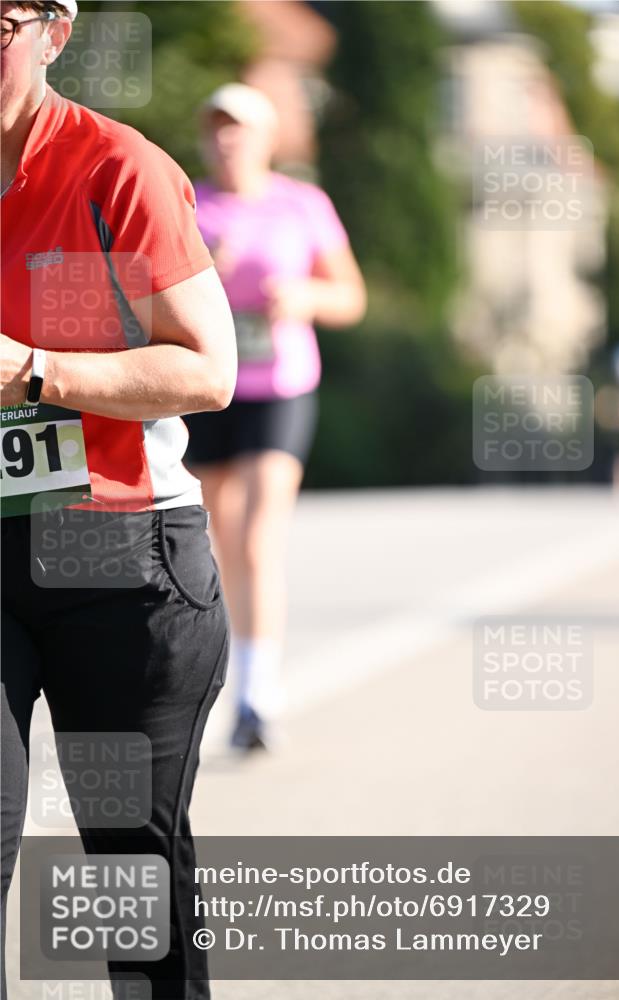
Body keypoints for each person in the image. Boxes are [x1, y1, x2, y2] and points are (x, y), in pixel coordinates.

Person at [1, 3, 237, 998]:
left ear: (54, 32)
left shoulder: (116, 169)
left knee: (129, 881)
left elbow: (210, 369)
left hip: (121, 559)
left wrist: (34, 371)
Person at [184, 84, 366, 752]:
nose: (226, 139)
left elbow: (350, 297)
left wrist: (305, 296)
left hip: (280, 384)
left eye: (239, 128)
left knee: (257, 540)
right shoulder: (188, 205)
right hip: (207, 388)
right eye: (215, 128)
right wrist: (200, 275)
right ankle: (216, 679)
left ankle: (258, 697)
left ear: (265, 139)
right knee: (208, 546)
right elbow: (137, 296)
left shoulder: (302, 204)